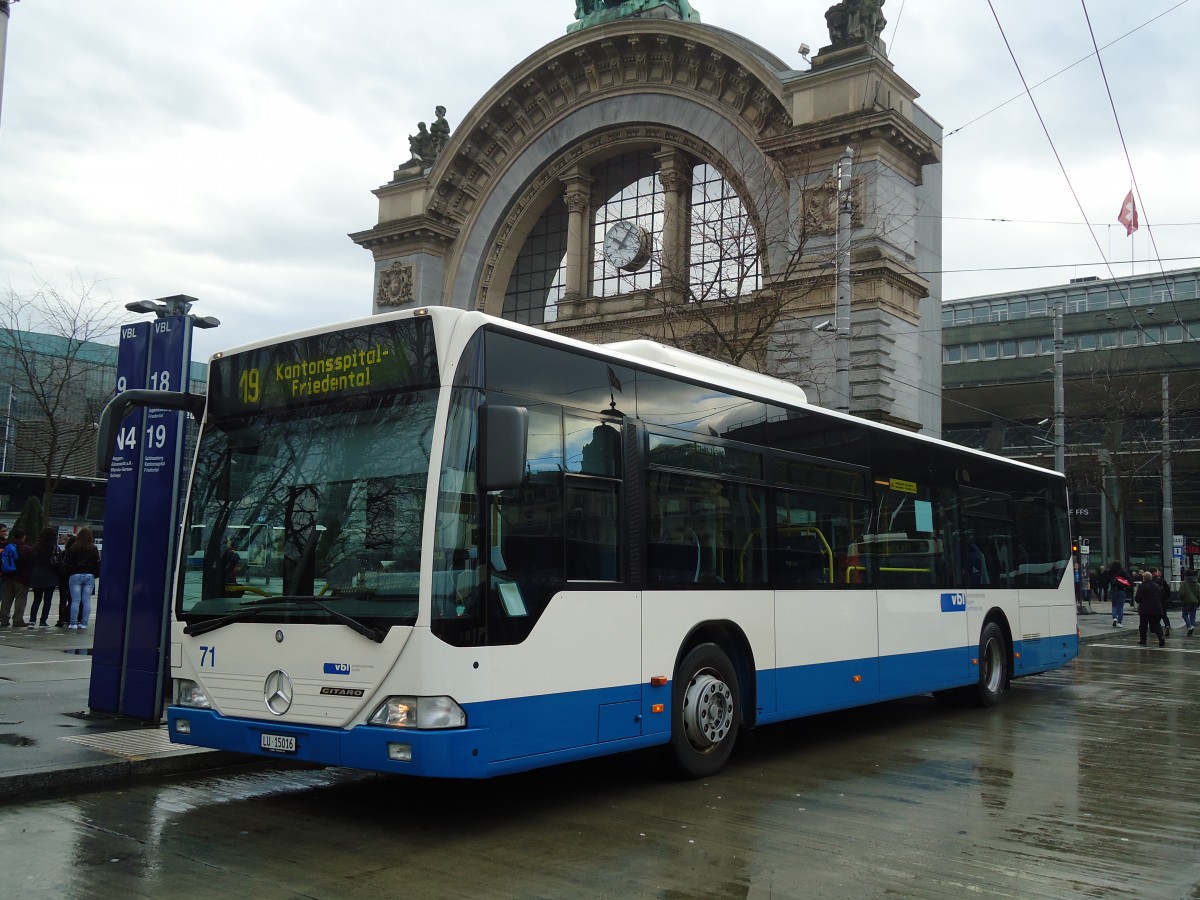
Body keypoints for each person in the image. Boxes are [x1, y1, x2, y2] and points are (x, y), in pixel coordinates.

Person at [62, 527, 101, 631]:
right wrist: (95, 574)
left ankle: (73, 623)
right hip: (89, 575)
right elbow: (96, 563)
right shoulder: (93, 548)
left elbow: (68, 563)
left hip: (75, 574)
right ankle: (84, 623)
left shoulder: (74, 547)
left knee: (75, 601)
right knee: (86, 601)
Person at [26, 527, 60, 627]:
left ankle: (32, 620)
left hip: (37, 575)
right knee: (47, 600)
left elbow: (30, 562)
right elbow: (58, 563)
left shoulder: (35, 547)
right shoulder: (54, 548)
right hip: (50, 575)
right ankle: (43, 621)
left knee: (36, 599)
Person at [0, 527, 33, 627]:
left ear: (13, 536)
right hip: (21, 579)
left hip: (7, 577)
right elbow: (31, 563)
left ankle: (4, 619)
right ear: (24, 537)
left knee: (6, 600)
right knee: (20, 599)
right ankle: (18, 620)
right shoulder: (26, 548)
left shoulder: (8, 547)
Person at [1135, 571, 1166, 647]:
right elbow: (1160, 596)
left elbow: (1137, 598)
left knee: (1143, 625)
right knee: (1156, 624)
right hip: (1156, 609)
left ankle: (1143, 640)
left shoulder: (1142, 586)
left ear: (1144, 578)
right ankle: (1161, 637)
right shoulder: (1156, 586)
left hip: (1145, 609)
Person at [55, 533, 75, 627]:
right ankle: (69, 617)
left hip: (63, 578)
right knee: (72, 600)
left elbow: (58, 565)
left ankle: (61, 619)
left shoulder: (64, 552)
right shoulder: (75, 553)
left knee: (62, 599)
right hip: (72, 578)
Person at [1106, 559, 1130, 627]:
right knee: (1120, 606)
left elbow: (1107, 580)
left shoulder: (1110, 572)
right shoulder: (1122, 571)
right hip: (1121, 590)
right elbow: (1128, 579)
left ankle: (1114, 618)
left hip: (1113, 590)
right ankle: (1119, 622)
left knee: (1114, 605)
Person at [1150, 566, 1171, 636]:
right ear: (1155, 572)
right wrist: (1165, 598)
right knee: (1163, 614)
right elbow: (1167, 590)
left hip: (1152, 601)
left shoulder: (1150, 581)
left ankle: (1153, 629)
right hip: (1162, 600)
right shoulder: (1161, 580)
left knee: (1153, 615)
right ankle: (1167, 625)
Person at [1178, 568, 1199, 637]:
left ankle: (1189, 626)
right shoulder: (1197, 584)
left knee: (1184, 614)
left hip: (1186, 601)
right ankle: (1192, 626)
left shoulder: (1184, 583)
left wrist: (1181, 598)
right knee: (1193, 615)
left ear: (1186, 575)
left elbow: (1181, 593)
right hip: (1195, 602)